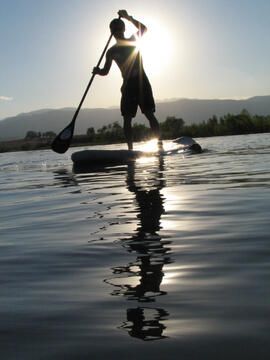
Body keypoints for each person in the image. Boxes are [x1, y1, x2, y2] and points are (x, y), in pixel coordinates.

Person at [93, 10, 162, 150]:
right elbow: (105, 72)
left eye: (119, 29)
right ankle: (130, 149)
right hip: (128, 87)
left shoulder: (133, 41)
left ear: (123, 29)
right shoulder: (111, 52)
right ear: (111, 32)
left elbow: (144, 29)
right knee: (127, 118)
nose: (117, 32)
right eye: (114, 30)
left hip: (142, 83)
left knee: (149, 114)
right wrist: (97, 71)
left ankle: (159, 145)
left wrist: (128, 18)